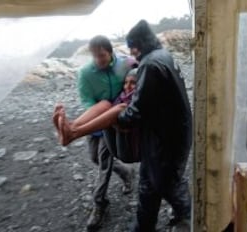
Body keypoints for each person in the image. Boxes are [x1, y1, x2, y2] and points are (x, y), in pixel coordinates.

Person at [53, 35, 136, 232]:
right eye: (95, 56)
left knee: (104, 163)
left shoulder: (124, 65)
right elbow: (87, 101)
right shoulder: (85, 73)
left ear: (110, 52)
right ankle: (126, 173)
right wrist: (96, 122)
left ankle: (99, 204)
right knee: (95, 158)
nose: (99, 60)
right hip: (96, 120)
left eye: (102, 55)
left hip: (116, 120)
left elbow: (139, 73)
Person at [120, 19, 192, 232]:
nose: (132, 51)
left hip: (165, 140)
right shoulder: (164, 56)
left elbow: (139, 106)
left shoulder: (150, 64)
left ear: (140, 43)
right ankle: (143, 226)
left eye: (132, 45)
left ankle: (191, 219)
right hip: (171, 134)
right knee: (149, 183)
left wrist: (122, 118)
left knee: (168, 184)